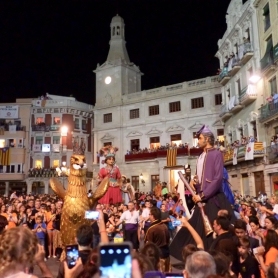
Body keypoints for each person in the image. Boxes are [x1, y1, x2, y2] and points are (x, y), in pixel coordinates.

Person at [170, 125, 235, 262]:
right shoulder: (200, 156)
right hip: (200, 199)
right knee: (192, 231)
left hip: (213, 199)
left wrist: (203, 194)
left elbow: (217, 179)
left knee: (213, 232)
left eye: (199, 138)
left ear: (207, 139)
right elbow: (202, 178)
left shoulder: (216, 154)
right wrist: (196, 183)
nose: (198, 141)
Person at [144, 207, 171, 272]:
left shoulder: (152, 229)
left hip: (158, 257)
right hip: (167, 254)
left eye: (149, 214)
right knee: (167, 274)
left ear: (153, 216)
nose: (149, 216)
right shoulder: (164, 226)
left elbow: (149, 245)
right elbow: (168, 240)